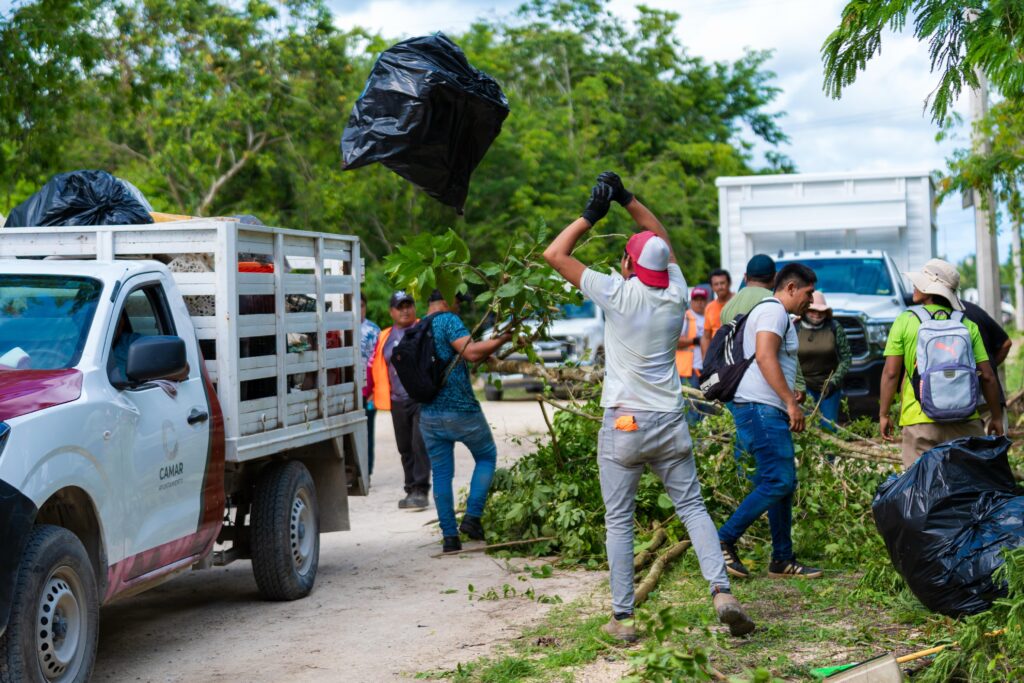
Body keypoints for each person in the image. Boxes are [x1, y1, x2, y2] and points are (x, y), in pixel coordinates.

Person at [543, 172, 754, 643]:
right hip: (669, 420)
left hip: (624, 420)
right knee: (694, 507)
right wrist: (627, 198)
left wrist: (592, 214)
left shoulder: (617, 293)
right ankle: (721, 592)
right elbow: (661, 239)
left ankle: (622, 618)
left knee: (619, 519)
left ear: (627, 264)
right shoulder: (677, 292)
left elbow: (555, 255)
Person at [718, 263, 823, 580]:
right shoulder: (772, 311)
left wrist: (789, 392)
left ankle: (782, 558)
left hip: (766, 407)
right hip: (760, 409)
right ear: (791, 288)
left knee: (782, 483)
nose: (811, 300)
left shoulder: (778, 315)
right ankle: (722, 540)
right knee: (779, 480)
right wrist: (790, 402)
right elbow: (764, 356)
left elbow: (771, 359)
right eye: (807, 293)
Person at [879, 259, 1004, 468]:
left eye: (919, 283)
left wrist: (884, 414)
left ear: (929, 290)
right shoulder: (967, 324)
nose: (914, 286)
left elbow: (891, 374)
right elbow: (988, 376)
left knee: (921, 489)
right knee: (969, 487)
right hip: (965, 419)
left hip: (919, 420)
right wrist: (997, 417)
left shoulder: (905, 321)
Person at [419, 289, 511, 554]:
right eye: (458, 303)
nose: (459, 309)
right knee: (486, 455)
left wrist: (486, 353)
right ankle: (471, 518)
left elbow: (455, 357)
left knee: (441, 474)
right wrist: (504, 338)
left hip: (429, 414)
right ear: (448, 301)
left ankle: (450, 537)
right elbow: (470, 353)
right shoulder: (447, 320)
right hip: (461, 411)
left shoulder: (419, 326)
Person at [371, 292, 431, 510]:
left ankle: (421, 490)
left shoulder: (423, 330)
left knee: (419, 443)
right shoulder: (385, 336)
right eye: (400, 307)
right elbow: (375, 365)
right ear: (391, 311)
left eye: (409, 305)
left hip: (419, 398)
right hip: (396, 399)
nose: (405, 310)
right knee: (404, 446)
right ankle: (410, 489)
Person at [797, 292, 851, 433]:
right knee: (808, 428)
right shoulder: (795, 327)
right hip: (804, 387)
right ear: (805, 310)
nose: (816, 314)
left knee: (829, 428)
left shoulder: (834, 328)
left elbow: (846, 358)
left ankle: (830, 456)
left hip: (829, 388)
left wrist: (833, 381)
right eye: (812, 310)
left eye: (820, 311)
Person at [962, 299, 1013, 434]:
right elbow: (1006, 343)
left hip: (952, 403)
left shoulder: (927, 318)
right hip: (990, 399)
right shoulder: (973, 310)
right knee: (994, 450)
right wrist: (988, 366)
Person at [677, 286, 708, 425]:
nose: (700, 302)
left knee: (705, 408)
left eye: (702, 300)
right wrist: (695, 340)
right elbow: (674, 341)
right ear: (692, 301)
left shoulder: (709, 316)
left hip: (706, 370)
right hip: (689, 371)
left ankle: (704, 441)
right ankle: (694, 443)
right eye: (697, 299)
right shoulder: (686, 317)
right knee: (691, 408)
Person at [360, 292, 381, 477]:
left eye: (361, 306)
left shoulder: (374, 331)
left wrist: (375, 391)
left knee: (367, 432)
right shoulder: (338, 327)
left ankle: (366, 470)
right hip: (345, 391)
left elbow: (379, 364)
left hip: (368, 391)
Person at [701, 268, 733, 358]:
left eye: (722, 283)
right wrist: (705, 360)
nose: (720, 287)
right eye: (716, 284)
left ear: (729, 283)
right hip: (717, 355)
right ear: (712, 287)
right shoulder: (709, 307)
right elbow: (706, 336)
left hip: (736, 353)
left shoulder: (737, 300)